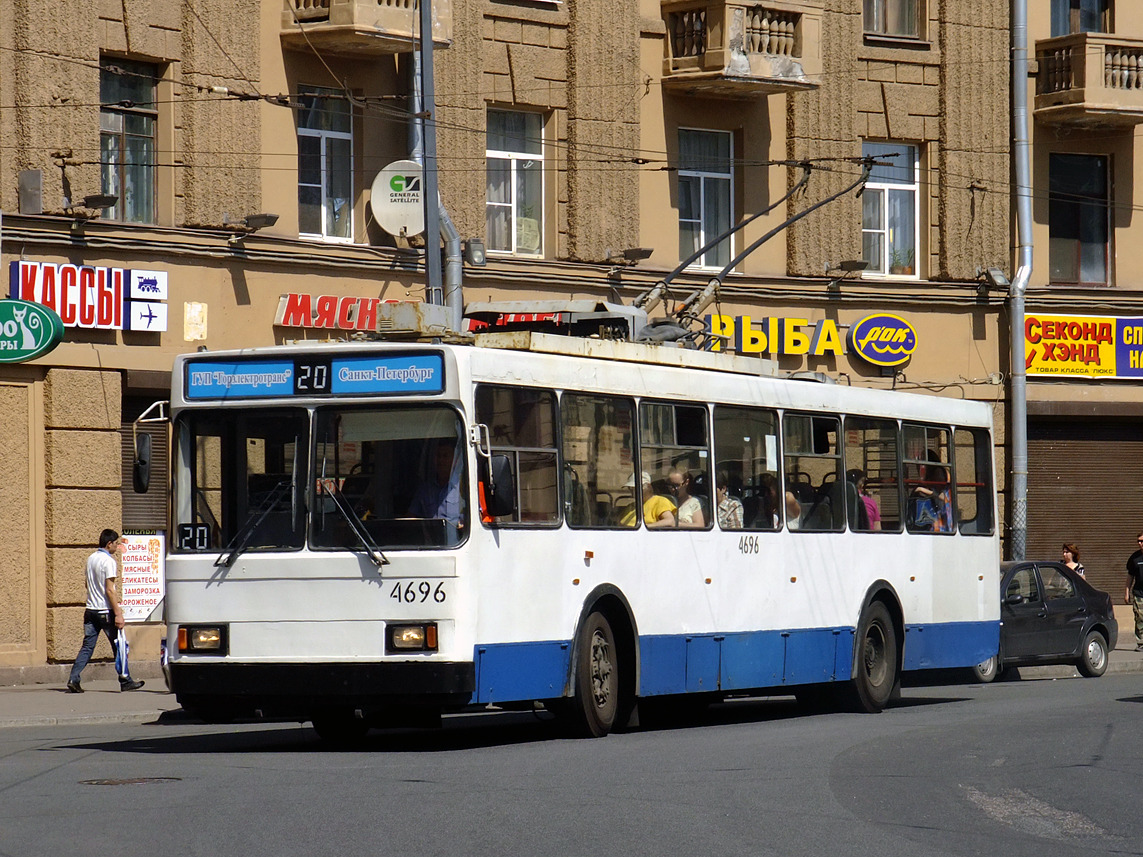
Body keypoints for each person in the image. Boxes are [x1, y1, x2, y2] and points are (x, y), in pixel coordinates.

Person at [66, 529, 144, 693]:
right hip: (105, 612)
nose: (117, 547)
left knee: (87, 646)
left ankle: (74, 678)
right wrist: (118, 613)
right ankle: (125, 680)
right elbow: (110, 590)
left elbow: (87, 584)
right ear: (109, 544)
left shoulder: (91, 558)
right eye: (116, 543)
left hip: (90, 611)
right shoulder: (108, 561)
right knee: (119, 646)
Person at [408, 442, 464, 528]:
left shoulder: (464, 487)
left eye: (445, 456)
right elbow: (411, 517)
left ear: (454, 461)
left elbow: (477, 516)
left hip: (458, 540)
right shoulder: (425, 489)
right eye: (438, 456)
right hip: (430, 539)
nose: (441, 460)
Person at [910, 459, 953, 533]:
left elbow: (943, 498)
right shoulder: (933, 488)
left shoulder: (946, 490)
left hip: (942, 528)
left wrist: (923, 490)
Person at [1125, 532, 1143, 651]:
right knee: (1139, 617)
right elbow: (1130, 577)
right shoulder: (1135, 558)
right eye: (1138, 541)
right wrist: (1126, 592)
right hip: (1139, 593)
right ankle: (1141, 643)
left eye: (1142, 541)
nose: (1140, 543)